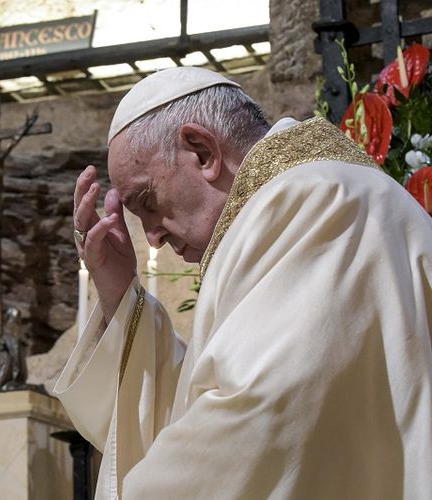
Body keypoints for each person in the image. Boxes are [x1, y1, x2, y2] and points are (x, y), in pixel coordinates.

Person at [53, 67, 432, 499]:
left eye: (147, 202)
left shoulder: (319, 203)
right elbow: (204, 399)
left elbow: (264, 417)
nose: (152, 236)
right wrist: (120, 295)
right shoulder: (299, 203)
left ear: (202, 152)